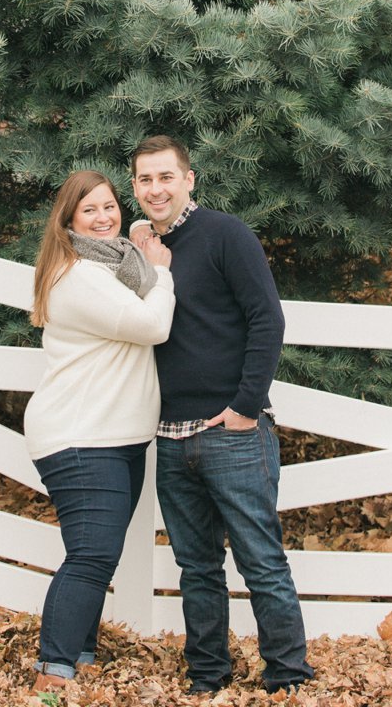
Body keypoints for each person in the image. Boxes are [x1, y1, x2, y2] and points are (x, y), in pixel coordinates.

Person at [131, 136, 314, 696]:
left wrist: (244, 406)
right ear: (134, 187)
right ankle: (207, 676)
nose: (155, 189)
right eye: (144, 180)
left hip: (231, 433)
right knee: (197, 568)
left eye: (166, 177)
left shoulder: (225, 234)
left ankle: (288, 675)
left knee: (261, 561)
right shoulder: (139, 249)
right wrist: (138, 242)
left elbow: (268, 319)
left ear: (190, 179)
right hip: (168, 434)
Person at [24, 170, 175, 695]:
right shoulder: (78, 276)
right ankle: (53, 671)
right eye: (89, 210)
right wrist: (163, 273)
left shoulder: (108, 266)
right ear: (69, 221)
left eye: (109, 205)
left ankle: (78, 657)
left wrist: (138, 246)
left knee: (96, 551)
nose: (104, 217)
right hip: (81, 432)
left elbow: (131, 273)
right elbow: (152, 325)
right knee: (92, 553)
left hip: (116, 435)